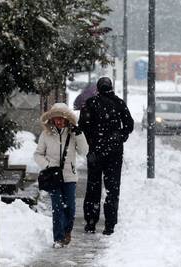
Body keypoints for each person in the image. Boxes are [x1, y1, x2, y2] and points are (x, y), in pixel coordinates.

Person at [78, 77, 134, 235]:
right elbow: (129, 124)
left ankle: (90, 221)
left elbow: (83, 125)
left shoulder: (90, 103)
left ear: (98, 88)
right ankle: (110, 224)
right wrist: (120, 136)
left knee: (93, 187)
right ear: (111, 87)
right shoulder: (119, 103)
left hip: (95, 152)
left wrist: (92, 140)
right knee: (112, 188)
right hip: (114, 153)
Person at [34, 103, 88, 248]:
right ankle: (58, 238)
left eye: (62, 118)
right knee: (57, 207)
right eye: (56, 118)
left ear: (66, 120)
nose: (59, 121)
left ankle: (67, 231)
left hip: (69, 176)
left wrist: (79, 134)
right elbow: (38, 154)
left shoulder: (73, 133)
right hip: (53, 177)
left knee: (69, 207)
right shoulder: (46, 134)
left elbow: (84, 151)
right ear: (52, 119)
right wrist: (47, 165)